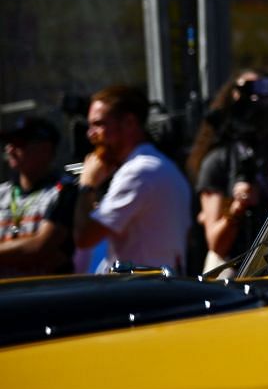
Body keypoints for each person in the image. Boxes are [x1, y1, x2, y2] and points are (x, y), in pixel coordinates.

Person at [187, 72, 268, 272]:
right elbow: (217, 246)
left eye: (265, 94)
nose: (257, 105)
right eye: (249, 94)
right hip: (238, 271)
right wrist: (238, 207)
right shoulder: (219, 160)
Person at [71, 86, 191, 273]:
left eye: (99, 124)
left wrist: (87, 184)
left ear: (129, 122)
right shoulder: (160, 165)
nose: (91, 134)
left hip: (140, 294)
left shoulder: (138, 172)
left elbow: (84, 237)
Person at [0, 116, 77, 278]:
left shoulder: (64, 190)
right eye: (9, 143)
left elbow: (41, 247)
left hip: (46, 296)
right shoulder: (2, 193)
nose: (10, 149)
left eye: (19, 143)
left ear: (45, 149)